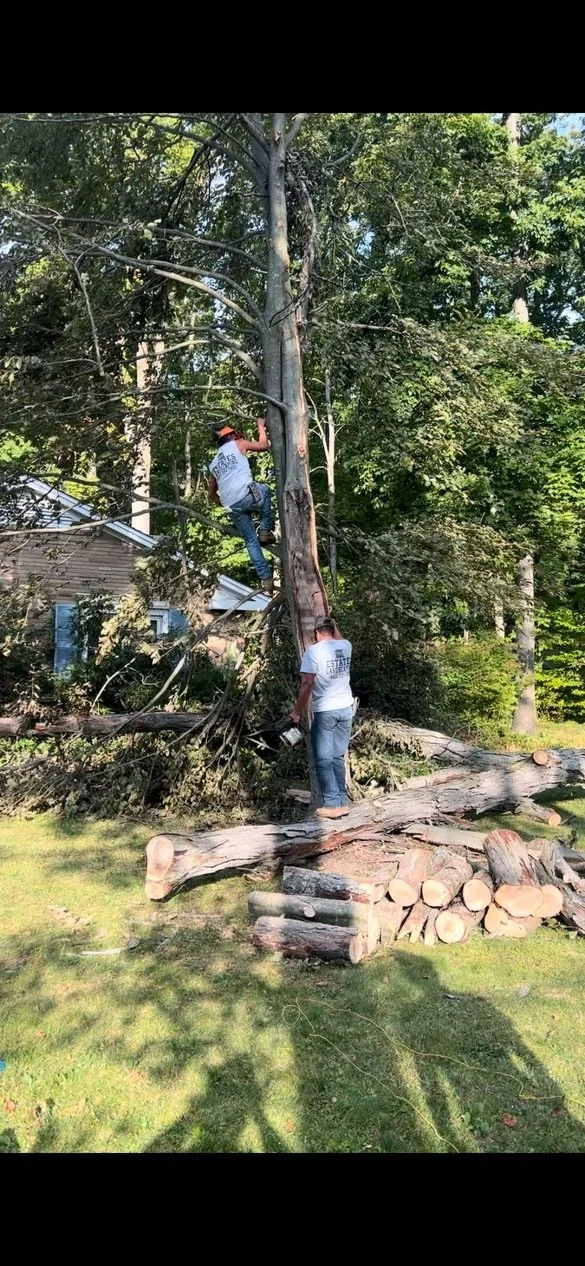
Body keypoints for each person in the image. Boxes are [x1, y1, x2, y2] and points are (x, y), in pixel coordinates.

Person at [291, 615, 354, 819]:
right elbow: (338, 637)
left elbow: (307, 683)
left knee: (323, 759)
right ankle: (342, 800)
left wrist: (297, 711)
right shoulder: (346, 645)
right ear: (333, 629)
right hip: (346, 708)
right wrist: (334, 625)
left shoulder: (313, 651)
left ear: (316, 633)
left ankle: (333, 803)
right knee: (337, 756)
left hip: (326, 710)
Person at [208, 418, 276, 595]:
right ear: (231, 435)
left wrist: (225, 504)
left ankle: (266, 580)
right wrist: (261, 426)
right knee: (266, 491)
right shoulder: (239, 444)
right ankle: (266, 529)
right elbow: (264, 445)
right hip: (246, 495)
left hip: (231, 505)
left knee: (250, 541)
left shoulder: (214, 463)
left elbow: (212, 495)